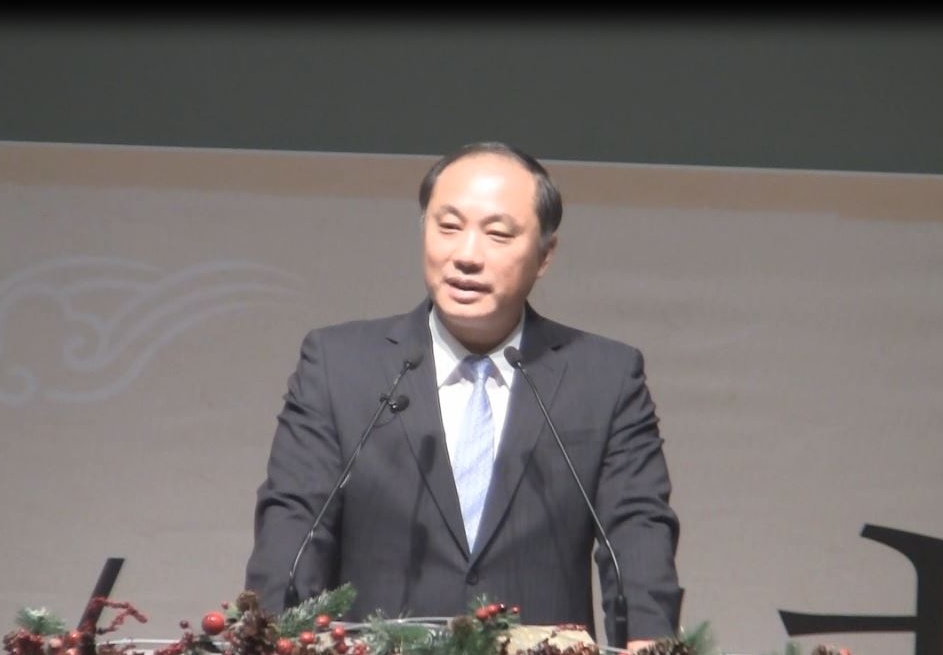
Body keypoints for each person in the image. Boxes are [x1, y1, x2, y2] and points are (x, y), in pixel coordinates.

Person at [244, 142, 681, 648]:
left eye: (497, 234)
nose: (467, 256)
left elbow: (638, 534)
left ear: (544, 255)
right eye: (448, 227)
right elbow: (294, 528)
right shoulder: (338, 366)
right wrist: (267, 638)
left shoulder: (605, 377)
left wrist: (649, 640)